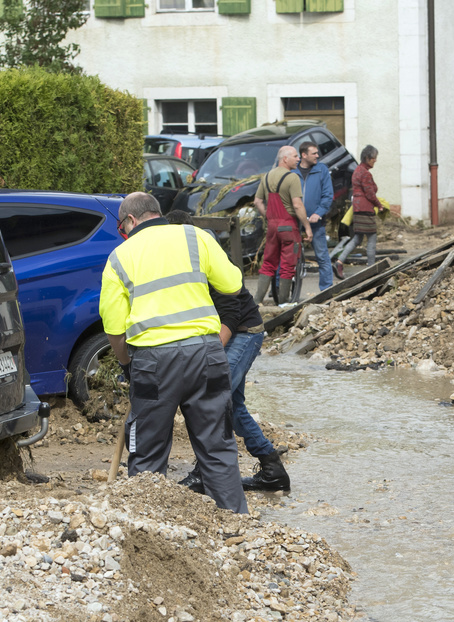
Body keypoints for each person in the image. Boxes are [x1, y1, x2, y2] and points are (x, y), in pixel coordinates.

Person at [99, 192, 248, 513]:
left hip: (153, 364)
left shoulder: (119, 257)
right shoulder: (196, 237)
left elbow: (114, 328)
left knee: (148, 454)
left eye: (121, 227)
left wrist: (127, 365)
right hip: (206, 357)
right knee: (218, 449)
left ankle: (147, 528)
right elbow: (233, 285)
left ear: (130, 222)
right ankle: (239, 528)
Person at [163, 210, 292, 493]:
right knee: (233, 406)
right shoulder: (180, 255)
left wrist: (208, 353)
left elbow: (231, 314)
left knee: (214, 400)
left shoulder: (204, 255)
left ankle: (204, 473)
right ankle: (273, 470)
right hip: (228, 333)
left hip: (243, 333)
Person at [253, 146, 313, 304]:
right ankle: (283, 302)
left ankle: (257, 300)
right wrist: (307, 227)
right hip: (288, 227)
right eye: (295, 156)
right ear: (285, 158)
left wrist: (269, 216)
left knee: (268, 263)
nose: (298, 159)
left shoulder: (266, 177)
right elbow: (298, 205)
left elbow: (258, 202)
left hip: (272, 227)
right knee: (287, 265)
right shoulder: (292, 178)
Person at [335, 145, 384, 279]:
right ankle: (372, 268)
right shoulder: (365, 173)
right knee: (372, 238)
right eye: (374, 158)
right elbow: (370, 193)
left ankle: (339, 262)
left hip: (357, 208)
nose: (375, 160)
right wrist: (379, 206)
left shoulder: (357, 170)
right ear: (367, 158)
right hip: (365, 209)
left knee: (357, 238)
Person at [294, 141, 336, 291]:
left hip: (316, 222)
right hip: (295, 221)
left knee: (322, 256)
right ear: (304, 155)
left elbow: (328, 194)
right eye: (314, 153)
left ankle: (327, 289)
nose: (317, 156)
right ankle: (282, 289)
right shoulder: (293, 170)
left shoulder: (321, 170)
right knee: (289, 256)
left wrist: (318, 213)